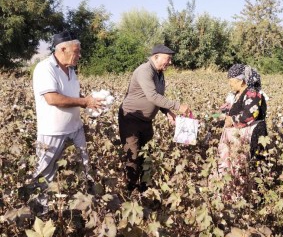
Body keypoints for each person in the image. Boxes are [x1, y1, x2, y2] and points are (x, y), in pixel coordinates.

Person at [31, 31, 103, 214]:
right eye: (76, 51)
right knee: (45, 173)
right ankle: (41, 212)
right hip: (52, 132)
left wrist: (89, 102)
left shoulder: (71, 71)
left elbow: (71, 97)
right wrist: (84, 102)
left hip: (75, 129)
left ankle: (85, 208)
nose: (79, 55)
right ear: (62, 48)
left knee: (83, 166)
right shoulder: (44, 68)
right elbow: (53, 98)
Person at [118, 44, 190, 192]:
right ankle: (130, 191)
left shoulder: (159, 73)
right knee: (133, 155)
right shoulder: (144, 71)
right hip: (131, 118)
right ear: (155, 57)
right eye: (168, 59)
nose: (170, 62)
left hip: (146, 121)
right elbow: (152, 96)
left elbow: (158, 97)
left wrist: (168, 112)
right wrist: (177, 106)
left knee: (146, 155)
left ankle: (145, 189)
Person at [217, 64, 268, 178]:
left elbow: (250, 114)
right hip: (239, 135)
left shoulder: (252, 93)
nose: (229, 84)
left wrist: (232, 119)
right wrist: (221, 114)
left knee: (248, 166)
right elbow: (231, 109)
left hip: (252, 134)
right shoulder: (237, 94)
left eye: (231, 81)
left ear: (241, 81)